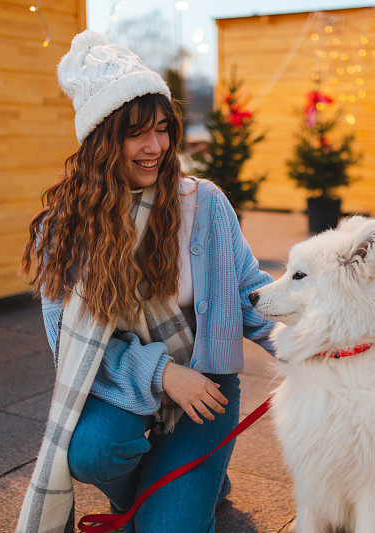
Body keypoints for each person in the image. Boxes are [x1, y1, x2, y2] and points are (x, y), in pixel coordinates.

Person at [16, 30, 276, 533]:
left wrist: (318, 341)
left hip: (204, 389)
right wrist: (161, 374)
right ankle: (169, 482)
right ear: (100, 141)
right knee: (93, 452)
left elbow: (248, 293)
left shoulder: (202, 206)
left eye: (162, 129)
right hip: (125, 386)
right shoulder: (64, 229)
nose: (154, 147)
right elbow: (65, 345)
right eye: (136, 133)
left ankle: (188, 477)